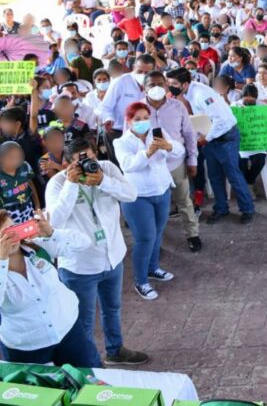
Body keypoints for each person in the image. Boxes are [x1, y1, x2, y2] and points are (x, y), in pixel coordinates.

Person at [46, 138, 148, 365]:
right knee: (83, 321)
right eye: (79, 162)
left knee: (112, 309)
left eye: (90, 159)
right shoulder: (57, 183)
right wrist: (72, 185)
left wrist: (103, 181)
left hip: (113, 259)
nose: (87, 166)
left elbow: (130, 194)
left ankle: (115, 350)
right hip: (79, 267)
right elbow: (54, 221)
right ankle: (89, 364)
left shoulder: (107, 169)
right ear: (67, 164)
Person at [0, 210, 102, 367]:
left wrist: (52, 233)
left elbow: (84, 243)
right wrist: (2, 260)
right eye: (4, 236)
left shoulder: (36, 247)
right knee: (39, 390)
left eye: (13, 230)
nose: (11, 239)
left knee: (88, 380)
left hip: (69, 331)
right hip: (26, 348)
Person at [113, 102, 185, 300]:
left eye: (146, 118)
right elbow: (128, 165)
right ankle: (141, 281)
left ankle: (153, 268)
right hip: (137, 196)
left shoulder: (158, 133)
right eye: (137, 119)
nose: (143, 122)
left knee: (158, 232)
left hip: (161, 190)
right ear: (128, 121)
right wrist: (147, 152)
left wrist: (169, 146)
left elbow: (179, 151)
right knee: (145, 238)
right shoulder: (121, 142)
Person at [166, 67, 255, 225]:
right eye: (169, 83)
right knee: (214, 176)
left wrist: (205, 139)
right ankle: (221, 208)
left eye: (174, 83)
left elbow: (220, 121)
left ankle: (247, 209)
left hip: (225, 137)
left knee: (233, 175)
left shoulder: (201, 94)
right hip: (210, 138)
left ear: (185, 84)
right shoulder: (188, 93)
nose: (170, 86)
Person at [143, 72, 201, 253]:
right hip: (150, 166)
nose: (156, 87)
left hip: (176, 163)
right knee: (155, 205)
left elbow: (190, 135)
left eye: (160, 83)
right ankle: (155, 241)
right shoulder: (137, 109)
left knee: (184, 201)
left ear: (167, 86)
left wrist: (193, 160)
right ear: (144, 87)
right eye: (152, 84)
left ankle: (193, 234)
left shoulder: (177, 106)